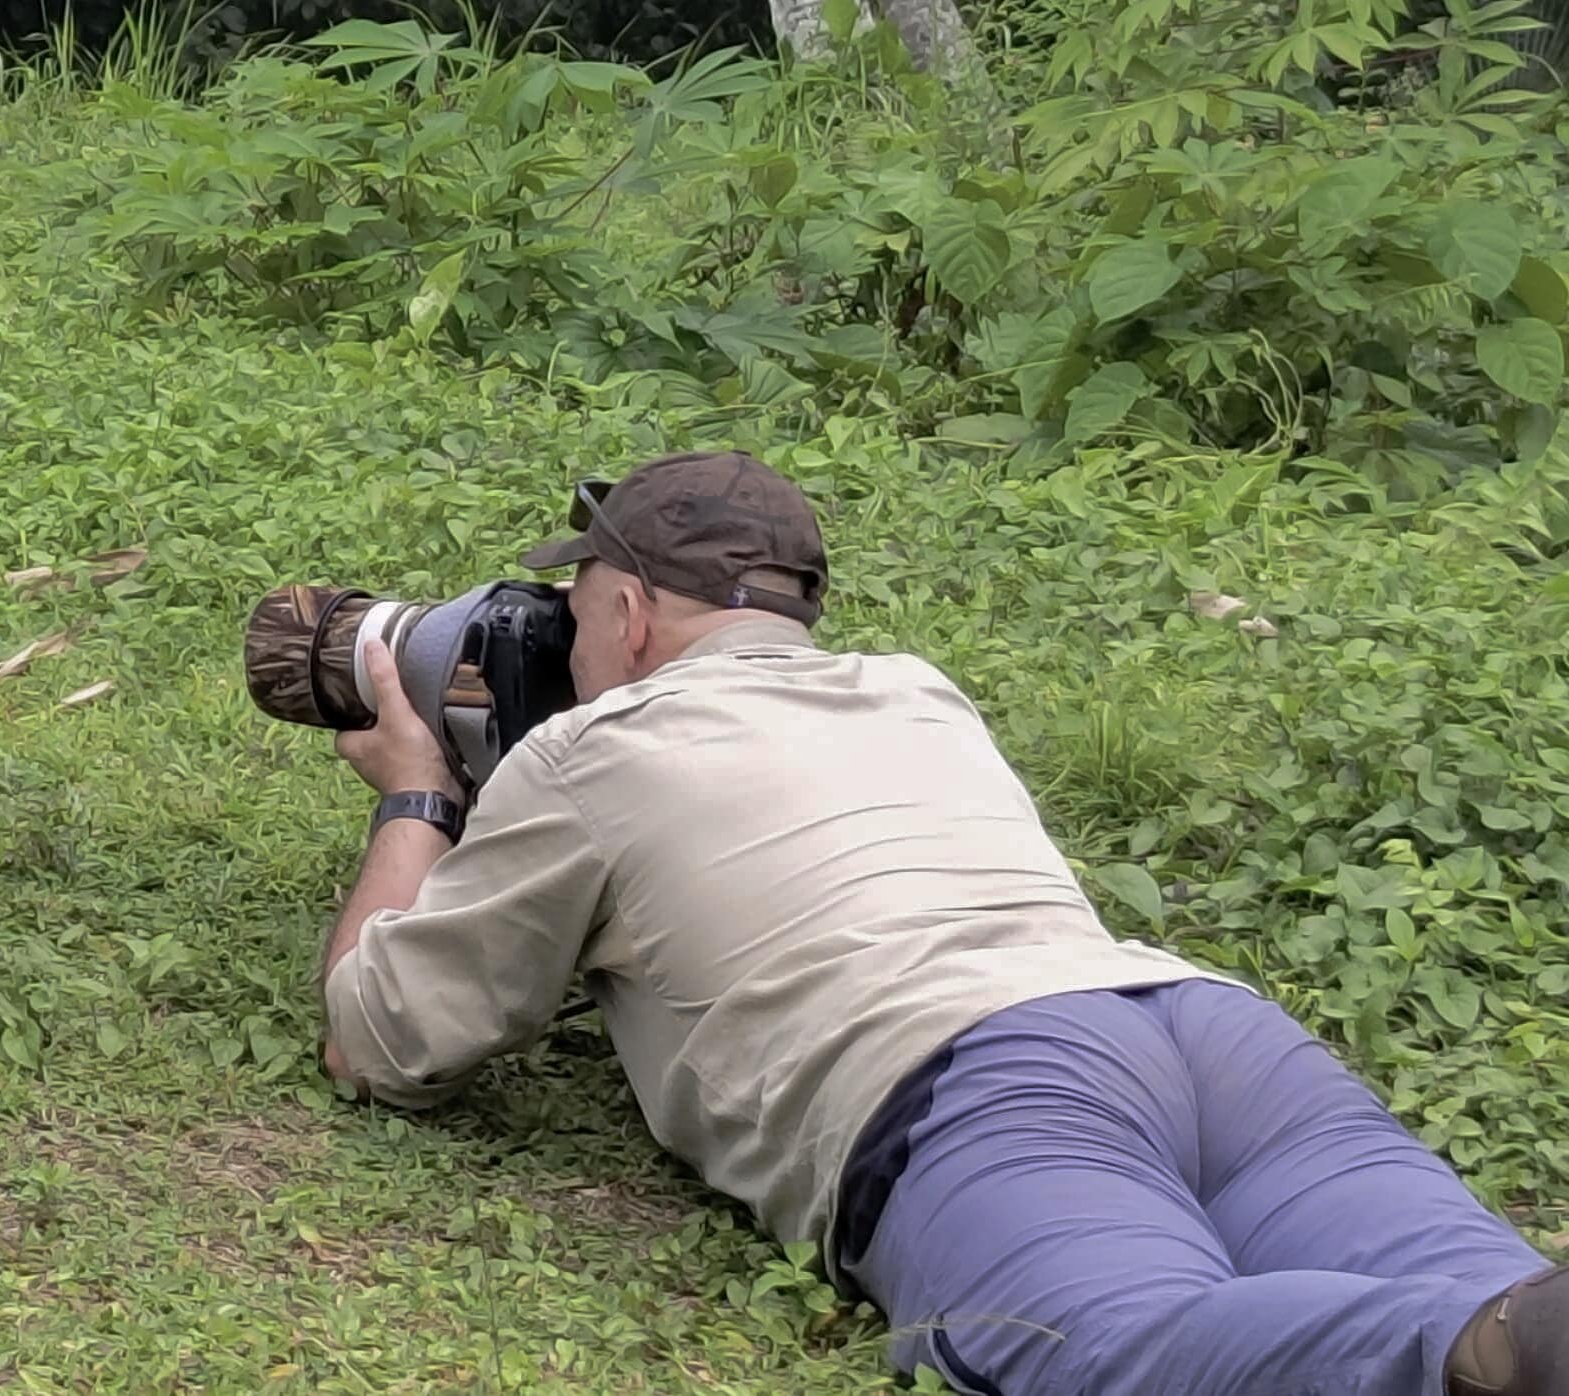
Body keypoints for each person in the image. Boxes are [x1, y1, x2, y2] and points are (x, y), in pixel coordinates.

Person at [314, 451, 1561, 1396]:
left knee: (1110, 1348)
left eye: (575, 609)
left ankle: (1481, 1346)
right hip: (1212, 1041)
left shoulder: (597, 748)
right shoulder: (917, 690)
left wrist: (419, 791)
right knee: (1494, 1306)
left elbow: (382, 1041)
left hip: (979, 1085)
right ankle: (1501, 1325)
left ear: (631, 615)